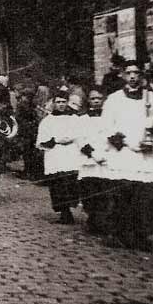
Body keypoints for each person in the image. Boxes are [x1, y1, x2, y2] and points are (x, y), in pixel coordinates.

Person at [101, 59, 153, 250]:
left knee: (146, 198)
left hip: (146, 155)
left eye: (136, 73)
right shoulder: (114, 99)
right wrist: (122, 142)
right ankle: (119, 233)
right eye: (129, 73)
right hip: (124, 153)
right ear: (123, 75)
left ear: (141, 76)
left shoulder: (151, 98)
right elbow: (106, 125)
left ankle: (142, 235)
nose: (133, 76)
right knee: (123, 196)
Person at [37, 89, 81, 224]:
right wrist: (56, 140)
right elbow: (42, 140)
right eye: (58, 102)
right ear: (54, 103)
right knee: (58, 184)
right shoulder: (48, 120)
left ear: (67, 103)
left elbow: (80, 133)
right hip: (55, 155)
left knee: (70, 182)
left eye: (63, 102)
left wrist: (70, 139)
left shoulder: (74, 118)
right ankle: (64, 211)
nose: (61, 105)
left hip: (70, 154)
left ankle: (69, 208)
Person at [76, 89, 114, 236]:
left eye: (99, 98)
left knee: (104, 191)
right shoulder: (82, 119)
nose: (96, 101)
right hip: (89, 161)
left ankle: (102, 220)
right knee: (90, 191)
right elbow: (80, 139)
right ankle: (92, 219)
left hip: (105, 159)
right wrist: (92, 154)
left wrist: (105, 153)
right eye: (93, 99)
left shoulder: (109, 118)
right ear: (88, 101)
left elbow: (112, 135)